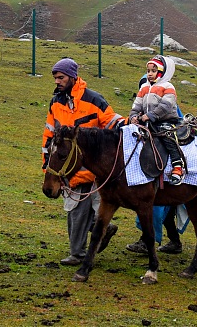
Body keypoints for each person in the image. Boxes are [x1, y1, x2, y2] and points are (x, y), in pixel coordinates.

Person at [42, 58, 124, 265]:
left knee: (94, 208)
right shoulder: (56, 103)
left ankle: (82, 249)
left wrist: (129, 123)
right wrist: (47, 164)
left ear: (72, 76)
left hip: (94, 166)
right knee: (75, 211)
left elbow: (112, 121)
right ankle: (81, 249)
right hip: (68, 167)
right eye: (55, 78)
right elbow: (49, 133)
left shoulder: (94, 100)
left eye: (61, 77)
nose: (57, 82)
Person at [129, 55, 185, 185]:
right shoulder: (144, 88)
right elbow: (136, 105)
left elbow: (166, 106)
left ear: (161, 72)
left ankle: (177, 166)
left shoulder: (168, 86)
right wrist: (133, 116)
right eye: (148, 71)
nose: (150, 74)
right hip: (147, 121)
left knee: (167, 136)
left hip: (165, 121)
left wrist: (151, 115)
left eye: (153, 71)